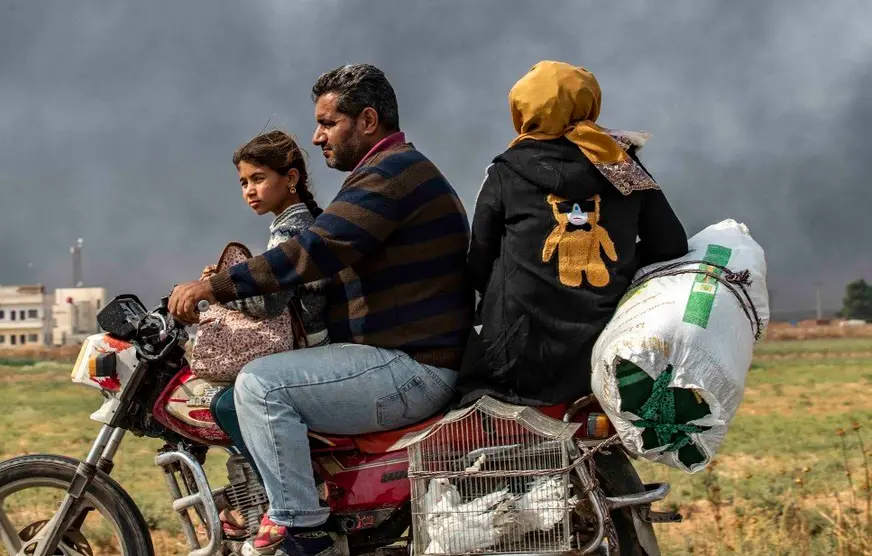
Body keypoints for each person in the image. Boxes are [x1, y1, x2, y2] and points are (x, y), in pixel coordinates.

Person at [169, 64, 473, 556]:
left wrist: (215, 287)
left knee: (260, 385)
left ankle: (304, 532)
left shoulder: (390, 176)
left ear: (367, 120)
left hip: (411, 367)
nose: (316, 137)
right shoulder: (391, 172)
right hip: (403, 358)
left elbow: (314, 250)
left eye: (328, 123)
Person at [459, 60, 689, 407]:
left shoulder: (506, 171)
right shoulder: (620, 164)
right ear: (589, 104)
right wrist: (621, 264)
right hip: (598, 355)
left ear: (522, 109)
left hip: (513, 360)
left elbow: (479, 264)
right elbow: (672, 244)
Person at [199, 130, 330, 540]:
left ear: (290, 178)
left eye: (258, 179)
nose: (249, 191)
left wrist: (217, 293)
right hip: (317, 346)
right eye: (243, 183)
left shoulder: (292, 227)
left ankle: (284, 496)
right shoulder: (296, 220)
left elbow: (268, 303)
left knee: (225, 404)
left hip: (318, 347)